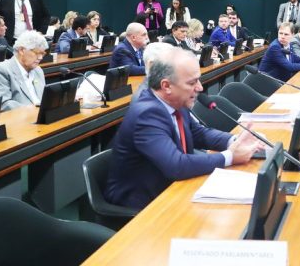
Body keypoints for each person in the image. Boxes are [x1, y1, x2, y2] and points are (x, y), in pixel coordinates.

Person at [104, 48, 262, 209]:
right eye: (192, 83)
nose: (200, 88)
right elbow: (176, 166)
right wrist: (229, 157)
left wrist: (234, 141)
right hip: (144, 204)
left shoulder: (174, 99)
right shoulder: (147, 114)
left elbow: (198, 132)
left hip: (174, 187)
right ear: (166, 86)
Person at [0, 31, 48, 112]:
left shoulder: (38, 70)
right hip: (20, 120)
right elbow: (3, 103)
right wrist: (33, 110)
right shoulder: (1, 69)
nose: (40, 57)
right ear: (21, 50)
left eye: (43, 54)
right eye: (37, 53)